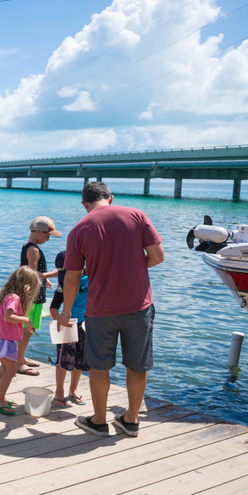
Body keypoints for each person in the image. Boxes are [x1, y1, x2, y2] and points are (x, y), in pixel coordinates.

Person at [59, 182, 164, 438]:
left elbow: (72, 279)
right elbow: (158, 255)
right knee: (138, 366)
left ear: (85, 204)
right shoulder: (137, 215)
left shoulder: (79, 230)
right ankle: (131, 420)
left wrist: (66, 312)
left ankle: (98, 421)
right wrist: (132, 270)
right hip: (139, 306)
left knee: (99, 367)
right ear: (111, 198)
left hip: (100, 310)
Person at [0, 267, 41, 416]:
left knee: (5, 370)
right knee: (11, 370)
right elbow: (8, 316)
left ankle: (1, 396)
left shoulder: (9, 295)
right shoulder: (15, 298)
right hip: (4, 340)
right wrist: (25, 319)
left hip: (0, 338)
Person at [17, 216, 61, 377]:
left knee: (28, 328)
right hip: (32, 296)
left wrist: (46, 279)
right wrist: (54, 274)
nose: (48, 239)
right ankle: (19, 363)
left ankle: (19, 357)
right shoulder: (34, 250)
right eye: (48, 236)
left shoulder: (27, 246)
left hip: (30, 293)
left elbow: (24, 268)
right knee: (28, 329)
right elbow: (32, 273)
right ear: (39, 232)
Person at [48, 251, 89, 408]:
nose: (64, 276)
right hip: (67, 327)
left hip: (86, 325)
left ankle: (73, 390)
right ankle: (59, 392)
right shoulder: (62, 283)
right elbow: (53, 308)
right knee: (62, 361)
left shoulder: (91, 278)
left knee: (81, 361)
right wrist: (59, 321)